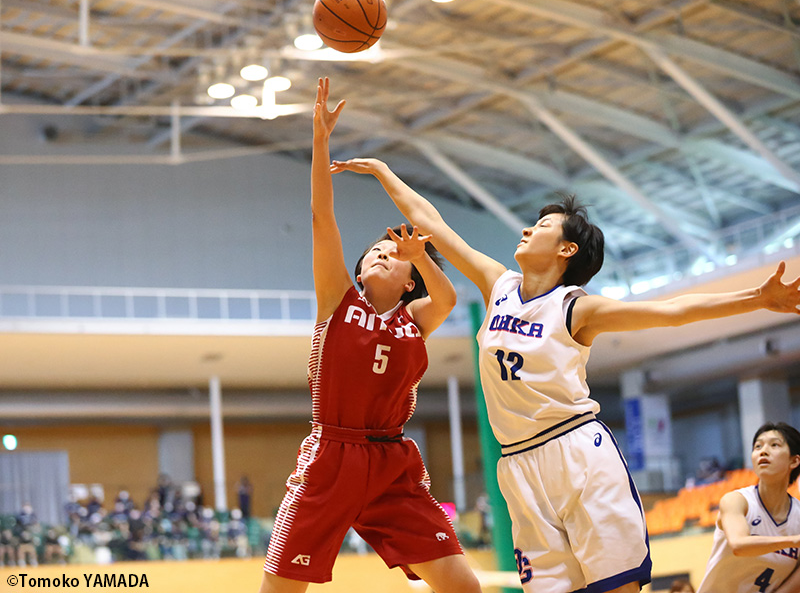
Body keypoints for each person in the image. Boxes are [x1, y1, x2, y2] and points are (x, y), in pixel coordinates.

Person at [330, 155, 800, 593]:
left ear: (566, 249)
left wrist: (758, 298)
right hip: (517, 465)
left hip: (576, 453)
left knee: (617, 586)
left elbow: (672, 311)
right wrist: (383, 172)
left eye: (541, 226)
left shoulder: (576, 307)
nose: (525, 229)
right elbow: (433, 225)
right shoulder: (499, 286)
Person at [257, 78, 481, 593]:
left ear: (409, 281)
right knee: (281, 590)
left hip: (392, 462)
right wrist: (319, 143)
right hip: (331, 456)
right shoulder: (338, 300)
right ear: (358, 272)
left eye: (392, 253)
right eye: (373, 252)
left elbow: (447, 300)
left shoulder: (414, 318)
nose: (381, 252)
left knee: (463, 586)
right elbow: (321, 218)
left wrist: (421, 252)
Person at [697, 422, 800, 593]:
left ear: (794, 460)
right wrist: (795, 541)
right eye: (757, 446)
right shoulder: (736, 501)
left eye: (774, 445)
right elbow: (739, 545)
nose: (763, 451)